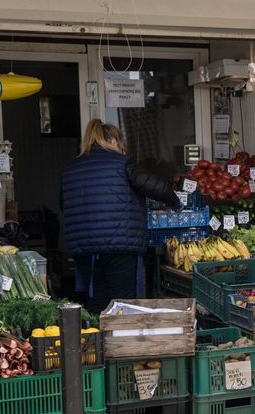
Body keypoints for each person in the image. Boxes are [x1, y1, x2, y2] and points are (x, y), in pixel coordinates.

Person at [62, 119, 180, 314]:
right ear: (113, 141)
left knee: (96, 304)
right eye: (120, 142)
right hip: (120, 246)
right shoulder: (122, 163)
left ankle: (97, 341)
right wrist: (175, 201)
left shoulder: (71, 168)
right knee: (122, 306)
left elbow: (63, 204)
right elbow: (157, 187)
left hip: (85, 250)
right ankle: (119, 343)